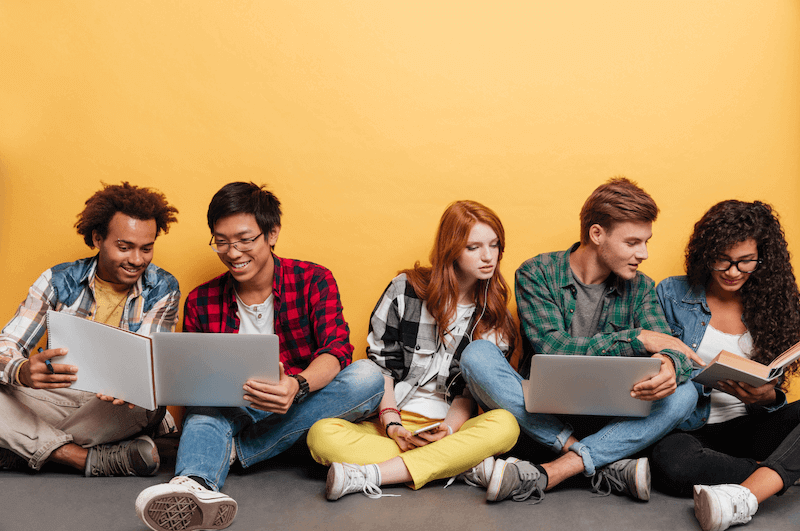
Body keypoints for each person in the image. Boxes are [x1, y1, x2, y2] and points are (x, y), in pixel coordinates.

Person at [135, 182, 385, 531]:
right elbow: (193, 381)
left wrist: (296, 385)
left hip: (301, 404)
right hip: (232, 407)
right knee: (204, 408)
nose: (232, 252)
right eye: (221, 241)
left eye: (244, 239)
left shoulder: (314, 279)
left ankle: (235, 450)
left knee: (368, 377)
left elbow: (337, 349)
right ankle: (193, 485)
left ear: (272, 234)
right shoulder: (200, 300)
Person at [460, 177, 701, 504]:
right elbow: (553, 348)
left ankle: (561, 468)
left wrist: (671, 364)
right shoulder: (537, 272)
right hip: (542, 419)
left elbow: (670, 347)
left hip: (613, 419)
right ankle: (601, 465)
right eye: (632, 242)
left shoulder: (641, 286)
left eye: (646, 241)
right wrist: (638, 338)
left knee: (685, 393)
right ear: (597, 234)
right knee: (476, 355)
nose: (643, 253)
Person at [306, 200, 520, 500]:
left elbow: (469, 395)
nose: (488, 257)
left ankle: (373, 474)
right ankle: (460, 465)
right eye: (473, 247)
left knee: (507, 426)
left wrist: (446, 431)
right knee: (320, 436)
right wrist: (394, 425)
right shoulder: (405, 290)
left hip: (452, 428)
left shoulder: (496, 316)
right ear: (451, 249)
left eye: (494, 245)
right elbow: (381, 368)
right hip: (393, 423)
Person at [0, 182, 180, 477]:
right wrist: (21, 370)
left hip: (117, 409)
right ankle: (80, 458)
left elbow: (148, 365)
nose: (137, 260)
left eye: (146, 249)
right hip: (57, 399)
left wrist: (134, 381)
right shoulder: (58, 280)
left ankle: (19, 445)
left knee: (148, 401)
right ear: (98, 238)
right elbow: (7, 342)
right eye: (124, 247)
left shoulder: (162, 287)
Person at [651, 200, 800, 531]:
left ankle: (744, 493)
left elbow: (772, 392)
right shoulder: (672, 293)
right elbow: (655, 368)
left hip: (751, 428)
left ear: (762, 259)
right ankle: (777, 472)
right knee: (673, 465)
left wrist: (767, 399)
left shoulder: (774, 306)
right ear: (707, 253)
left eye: (746, 262)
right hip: (690, 430)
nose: (733, 272)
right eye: (724, 260)